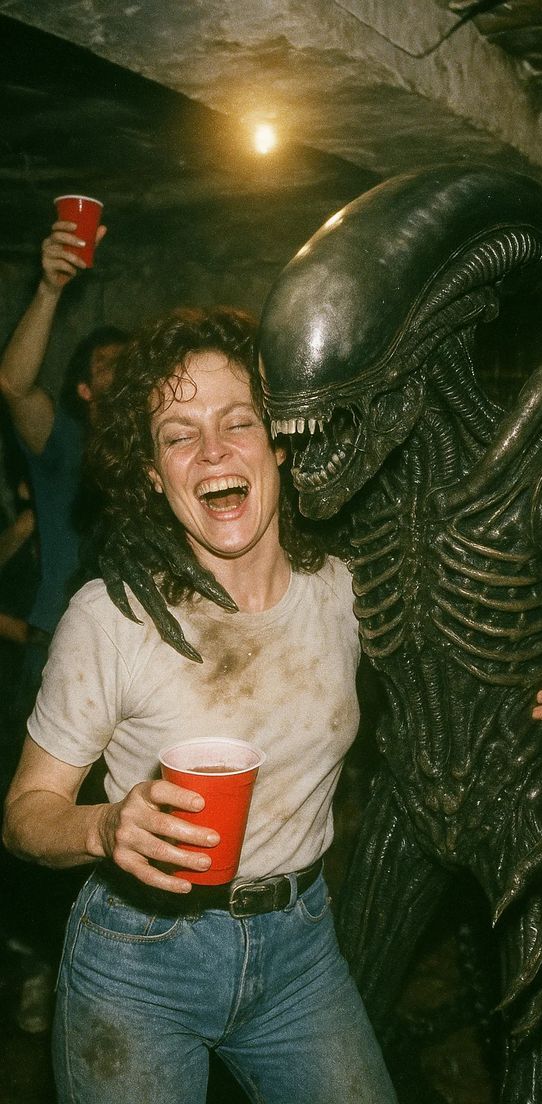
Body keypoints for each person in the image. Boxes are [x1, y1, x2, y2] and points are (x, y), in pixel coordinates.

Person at [2, 307, 542, 1104]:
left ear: (278, 442)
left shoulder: (348, 591)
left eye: (237, 421)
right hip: (139, 961)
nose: (214, 450)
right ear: (151, 473)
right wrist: (104, 827)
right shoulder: (112, 618)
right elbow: (26, 816)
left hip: (300, 951)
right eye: (178, 436)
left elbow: (472, 657)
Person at [0, 219, 129, 1034]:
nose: (124, 373)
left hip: (140, 669)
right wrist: (50, 289)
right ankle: (38, 968)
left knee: (114, 830)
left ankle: (107, 976)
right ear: (84, 386)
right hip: (55, 660)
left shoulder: (164, 451)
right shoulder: (65, 445)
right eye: (109, 364)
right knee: (44, 821)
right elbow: (14, 386)